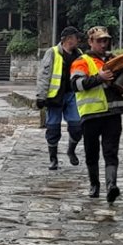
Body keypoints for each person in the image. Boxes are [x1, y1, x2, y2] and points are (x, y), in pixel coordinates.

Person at [70, 26, 123, 202]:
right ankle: (94, 185)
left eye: (106, 40)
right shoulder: (81, 61)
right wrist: (99, 78)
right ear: (90, 42)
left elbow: (122, 87)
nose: (103, 44)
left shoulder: (117, 60)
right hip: (91, 114)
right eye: (99, 41)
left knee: (111, 151)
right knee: (91, 152)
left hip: (113, 112)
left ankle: (111, 185)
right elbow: (75, 85)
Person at [36, 26, 84, 170]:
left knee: (77, 127)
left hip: (72, 96)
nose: (79, 40)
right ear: (69, 39)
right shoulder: (52, 53)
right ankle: (53, 158)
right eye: (76, 38)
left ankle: (71, 150)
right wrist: (41, 96)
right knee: (53, 129)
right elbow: (44, 75)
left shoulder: (79, 54)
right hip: (55, 97)